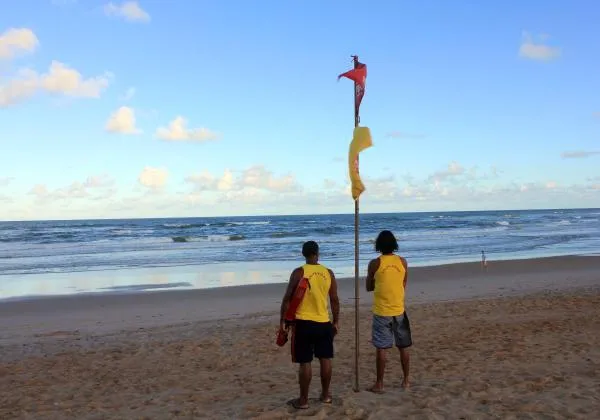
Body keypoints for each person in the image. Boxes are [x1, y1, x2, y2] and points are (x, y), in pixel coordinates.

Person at [279, 241, 340, 409]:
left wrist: (282, 322)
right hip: (323, 322)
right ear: (318, 253)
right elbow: (334, 300)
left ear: (303, 254)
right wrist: (336, 321)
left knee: (305, 362)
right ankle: (325, 395)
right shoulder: (328, 273)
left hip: (303, 323)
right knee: (325, 359)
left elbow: (287, 299)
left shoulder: (299, 272)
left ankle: (304, 400)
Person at [366, 230, 412, 393]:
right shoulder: (402, 262)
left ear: (378, 245)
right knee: (403, 346)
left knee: (381, 348)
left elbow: (368, 287)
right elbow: (403, 283)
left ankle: (380, 383)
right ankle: (406, 380)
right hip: (398, 309)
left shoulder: (375, 263)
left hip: (382, 311)